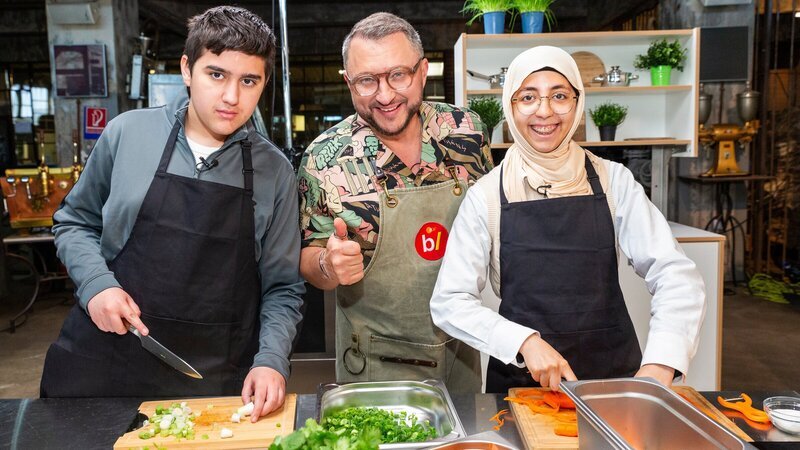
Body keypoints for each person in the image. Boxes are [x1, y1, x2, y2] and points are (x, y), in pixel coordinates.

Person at [40, 6, 304, 419]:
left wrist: (270, 359)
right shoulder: (127, 133)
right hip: (104, 364)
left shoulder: (275, 173)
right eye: (216, 75)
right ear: (187, 68)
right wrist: (96, 284)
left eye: (248, 81)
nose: (232, 97)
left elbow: (283, 287)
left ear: (263, 83)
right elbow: (75, 221)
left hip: (212, 379)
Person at [430, 46, 706, 393]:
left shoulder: (613, 181)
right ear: (510, 107)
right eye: (527, 97)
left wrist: (662, 363)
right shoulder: (486, 196)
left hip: (614, 377)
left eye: (559, 96)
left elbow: (675, 273)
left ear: (577, 103)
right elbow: (450, 301)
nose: (544, 111)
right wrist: (524, 342)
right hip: (522, 385)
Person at [297, 12, 493, 392]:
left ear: (423, 71)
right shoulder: (323, 158)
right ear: (348, 82)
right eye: (366, 81)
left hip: (461, 352)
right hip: (373, 365)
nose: (384, 96)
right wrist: (329, 264)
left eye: (398, 75)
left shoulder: (466, 132)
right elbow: (311, 258)